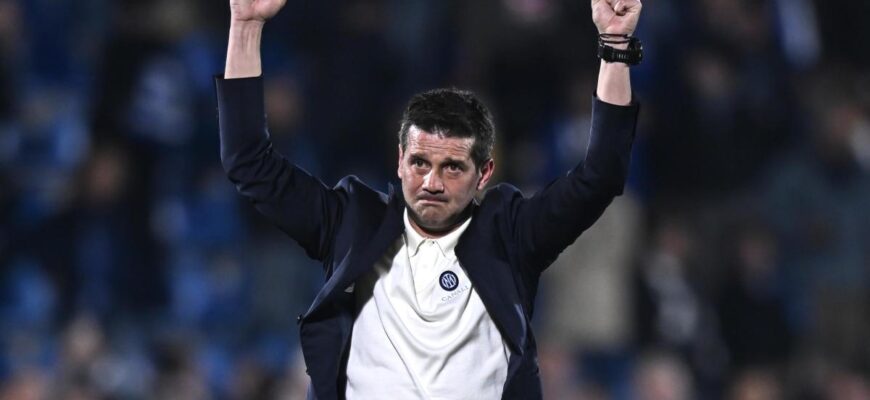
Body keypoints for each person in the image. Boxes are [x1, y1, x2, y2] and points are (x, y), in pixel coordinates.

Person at [215, 0, 641, 398]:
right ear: (400, 161)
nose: (432, 182)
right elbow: (250, 162)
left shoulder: (511, 234)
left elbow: (600, 176)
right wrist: (245, 27)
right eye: (420, 163)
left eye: (452, 167)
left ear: (484, 173)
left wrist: (615, 46)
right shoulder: (353, 222)